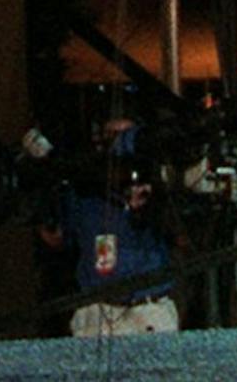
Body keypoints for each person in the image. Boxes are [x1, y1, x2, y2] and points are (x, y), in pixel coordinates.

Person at [37, 120, 182, 336]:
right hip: (96, 309)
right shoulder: (82, 190)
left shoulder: (154, 186)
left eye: (124, 138)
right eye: (110, 137)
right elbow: (56, 237)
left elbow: (177, 232)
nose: (117, 146)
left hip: (146, 309)